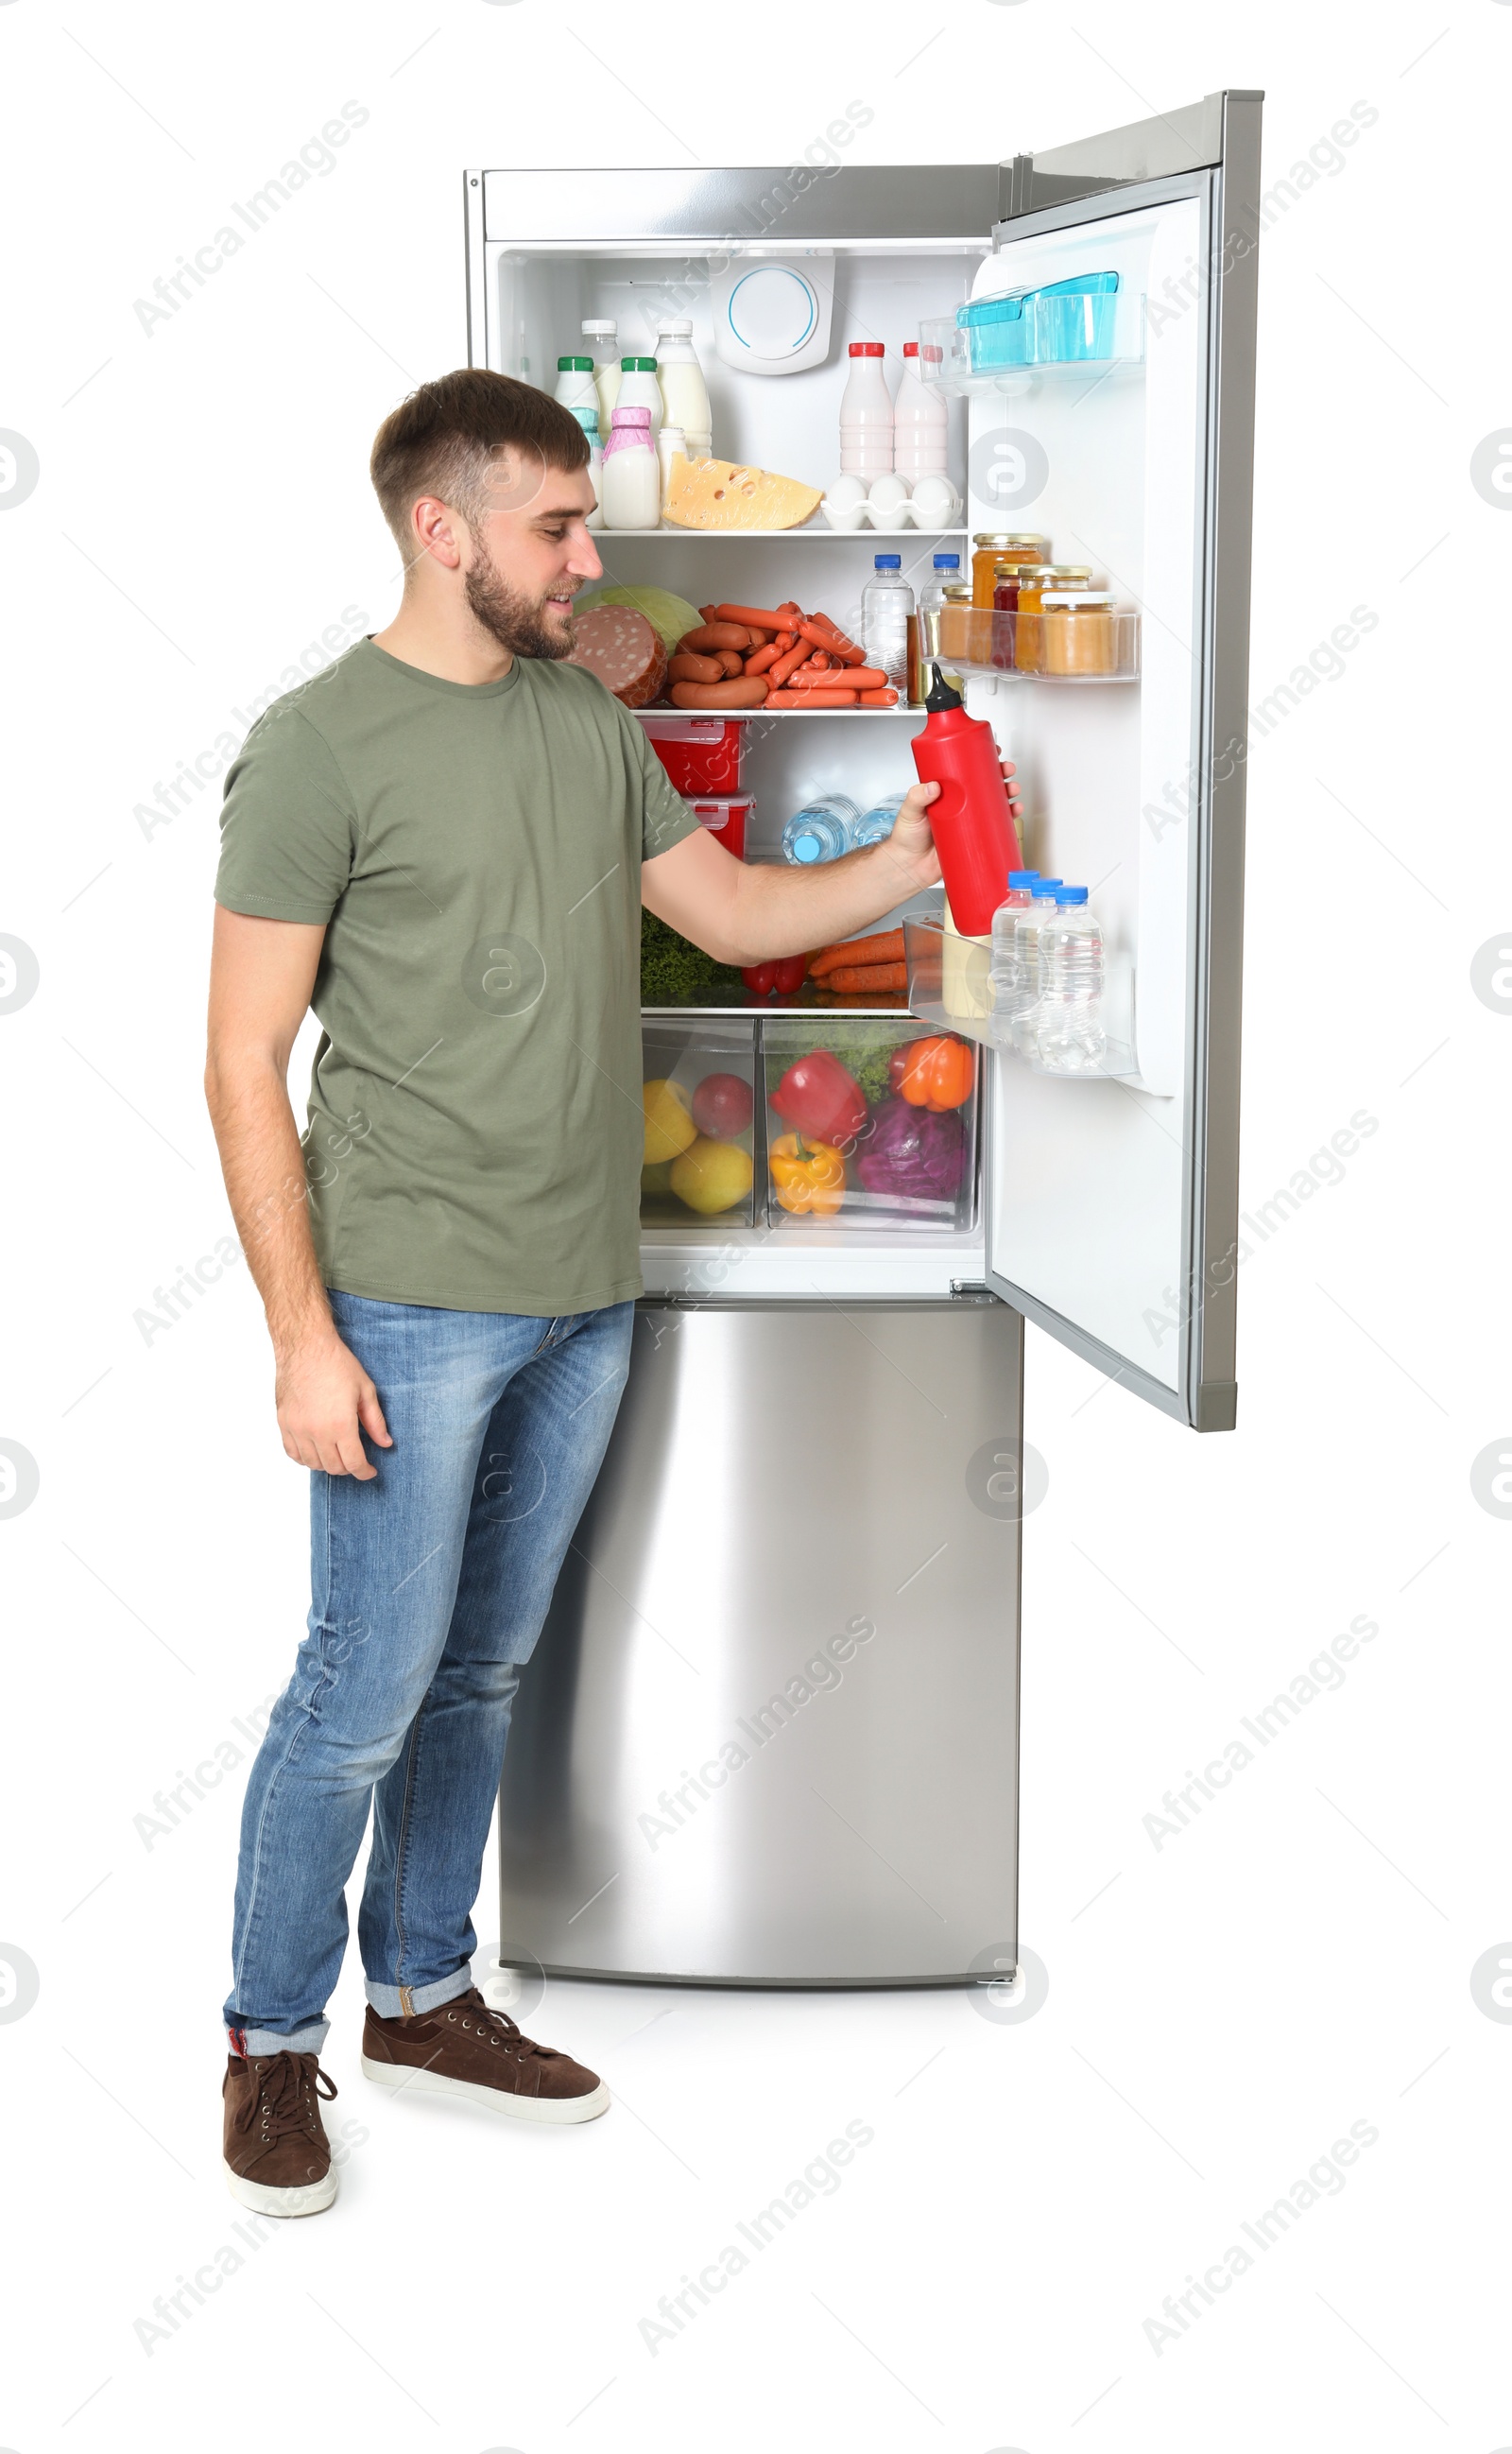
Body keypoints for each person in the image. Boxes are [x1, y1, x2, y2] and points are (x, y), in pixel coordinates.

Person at [206, 368, 1020, 2216]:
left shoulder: (585, 719)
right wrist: (298, 1333)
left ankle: (419, 1991)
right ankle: (269, 2040)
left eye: (588, 521)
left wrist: (915, 853)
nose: (592, 559)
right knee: (360, 1683)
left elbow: (730, 917)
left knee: (480, 1666)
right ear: (442, 528)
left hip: (589, 1288)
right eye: (558, 529)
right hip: (409, 1299)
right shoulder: (318, 746)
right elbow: (241, 1058)